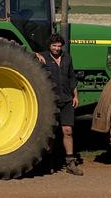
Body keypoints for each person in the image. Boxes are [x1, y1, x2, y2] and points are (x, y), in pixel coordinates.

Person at [35, 33, 83, 176]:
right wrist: (35, 54)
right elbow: (25, 53)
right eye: (54, 46)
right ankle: (47, 163)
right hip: (51, 101)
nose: (56, 48)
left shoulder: (67, 57)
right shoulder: (43, 56)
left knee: (68, 130)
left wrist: (76, 96)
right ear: (49, 46)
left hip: (67, 99)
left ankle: (70, 162)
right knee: (50, 133)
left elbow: (71, 78)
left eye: (59, 46)